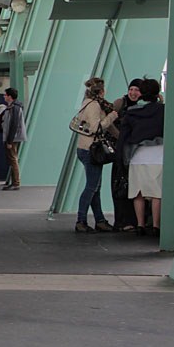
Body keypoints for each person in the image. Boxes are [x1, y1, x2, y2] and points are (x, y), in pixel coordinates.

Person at [116, 78, 165, 236]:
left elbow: (124, 136)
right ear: (157, 93)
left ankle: (140, 225)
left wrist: (120, 158)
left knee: (138, 193)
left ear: (141, 93)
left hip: (137, 156)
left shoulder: (132, 112)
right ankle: (156, 226)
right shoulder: (163, 110)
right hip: (158, 155)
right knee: (157, 193)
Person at [73, 77, 119, 233]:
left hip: (84, 148)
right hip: (91, 150)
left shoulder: (86, 103)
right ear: (101, 91)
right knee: (91, 187)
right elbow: (96, 128)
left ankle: (100, 220)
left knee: (95, 187)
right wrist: (112, 116)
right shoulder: (93, 106)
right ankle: (81, 220)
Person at [109, 79, 143, 231]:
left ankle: (132, 220)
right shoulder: (120, 103)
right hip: (121, 151)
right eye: (131, 89)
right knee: (120, 184)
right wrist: (120, 137)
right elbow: (109, 122)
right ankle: (122, 220)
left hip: (135, 151)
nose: (133, 93)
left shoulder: (143, 107)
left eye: (137, 90)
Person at [0, 88, 27, 190]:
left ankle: (16, 183)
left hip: (13, 138)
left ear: (10, 96)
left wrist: (10, 140)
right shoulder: (12, 107)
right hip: (13, 137)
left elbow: (14, 124)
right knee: (11, 159)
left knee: (13, 159)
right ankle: (14, 182)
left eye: (5, 95)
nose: (4, 96)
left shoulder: (14, 108)